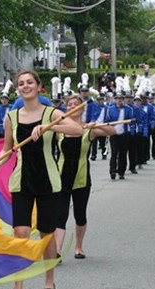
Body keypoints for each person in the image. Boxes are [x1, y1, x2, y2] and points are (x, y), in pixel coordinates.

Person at [0, 70, 83, 289]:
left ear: (39, 86)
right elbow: (7, 149)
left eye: (30, 82)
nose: (25, 86)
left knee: (47, 234)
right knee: (20, 234)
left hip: (49, 182)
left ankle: (49, 283)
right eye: (21, 83)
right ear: (18, 89)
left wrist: (50, 127)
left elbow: (77, 130)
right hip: (22, 182)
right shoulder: (11, 117)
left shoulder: (53, 113)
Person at [54, 95, 115, 260]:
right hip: (61, 177)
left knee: (80, 214)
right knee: (60, 214)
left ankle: (78, 247)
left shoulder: (88, 129)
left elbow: (113, 131)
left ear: (82, 108)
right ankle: (57, 250)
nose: (72, 106)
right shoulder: (59, 129)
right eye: (69, 104)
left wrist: (97, 126)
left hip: (81, 178)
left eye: (76, 104)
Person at [107, 93, 133, 180]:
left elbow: (131, 120)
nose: (119, 100)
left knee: (123, 153)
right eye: (118, 98)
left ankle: (121, 171)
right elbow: (107, 121)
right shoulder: (110, 109)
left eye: (121, 98)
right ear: (115, 99)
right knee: (114, 153)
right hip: (114, 134)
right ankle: (113, 171)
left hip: (124, 134)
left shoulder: (128, 109)